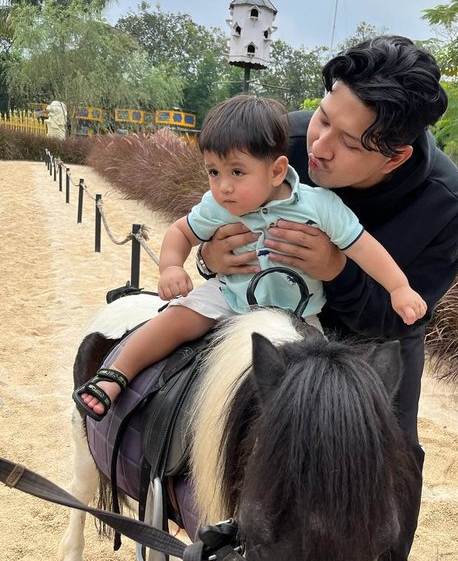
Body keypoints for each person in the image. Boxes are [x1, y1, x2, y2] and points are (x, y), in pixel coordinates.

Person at [196, 36, 458, 561]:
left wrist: (339, 269)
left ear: (397, 154)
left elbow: (397, 313)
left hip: (377, 335)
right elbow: (220, 215)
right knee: (231, 411)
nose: (317, 145)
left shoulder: (442, 203)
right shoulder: (282, 141)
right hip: (280, 313)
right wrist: (210, 257)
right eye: (323, 117)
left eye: (348, 142)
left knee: (392, 450)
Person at [73, 94, 427, 420]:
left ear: (275, 171)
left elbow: (363, 247)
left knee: (320, 377)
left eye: (237, 172)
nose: (223, 186)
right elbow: (182, 231)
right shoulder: (219, 205)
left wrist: (399, 287)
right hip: (230, 294)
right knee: (176, 320)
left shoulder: (320, 206)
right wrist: (170, 266)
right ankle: (117, 373)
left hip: (299, 314)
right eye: (213, 171)